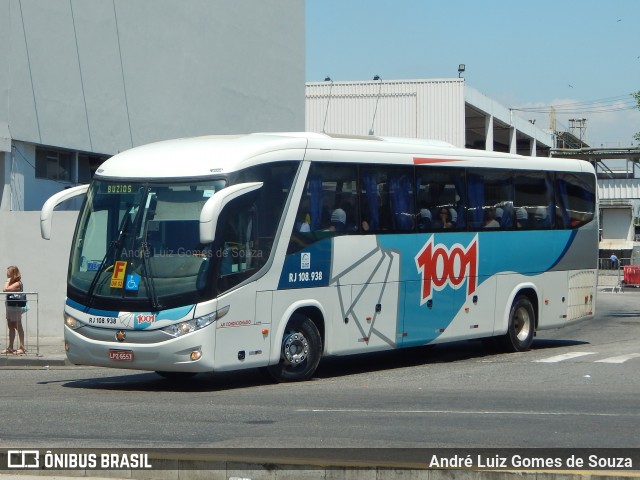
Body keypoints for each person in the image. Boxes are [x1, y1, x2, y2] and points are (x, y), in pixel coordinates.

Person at [2, 265, 26, 355]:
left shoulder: (18, 283)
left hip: (15, 307)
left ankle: (22, 347)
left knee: (18, 325)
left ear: (13, 273)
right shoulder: (11, 282)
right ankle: (10, 347)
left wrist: (7, 281)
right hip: (10, 307)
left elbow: (5, 289)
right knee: (10, 326)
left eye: (9, 271)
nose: (7, 273)